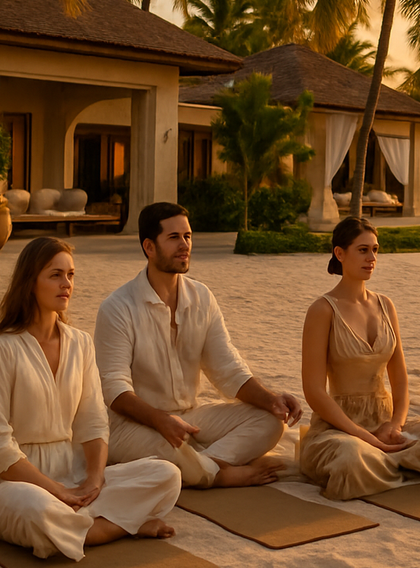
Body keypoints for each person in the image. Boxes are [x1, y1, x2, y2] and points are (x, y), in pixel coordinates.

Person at [0, 237, 181, 561]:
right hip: (15, 479)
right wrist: (56, 490)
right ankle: (116, 528)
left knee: (166, 475)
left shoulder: (80, 343)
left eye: (70, 275)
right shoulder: (1, 347)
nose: (66, 284)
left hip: (72, 469)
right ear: (30, 282)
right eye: (55, 275)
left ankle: (79, 527)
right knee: (36, 509)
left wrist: (94, 479)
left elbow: (93, 421)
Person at [95, 203, 301, 488]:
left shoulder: (201, 297)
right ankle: (219, 474)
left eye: (187, 236)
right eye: (174, 237)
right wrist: (160, 420)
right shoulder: (118, 307)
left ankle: (206, 467)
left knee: (269, 422)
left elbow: (228, 368)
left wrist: (272, 400)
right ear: (149, 247)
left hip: (190, 415)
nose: (184, 245)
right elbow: (115, 391)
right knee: (172, 453)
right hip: (130, 426)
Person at [299, 216, 420, 500]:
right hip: (339, 427)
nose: (371, 258)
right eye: (363, 250)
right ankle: (396, 462)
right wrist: (364, 436)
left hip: (385, 421)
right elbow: (314, 392)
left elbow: (400, 380)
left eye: (375, 250)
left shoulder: (385, 305)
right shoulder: (322, 310)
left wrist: (394, 426)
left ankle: (385, 462)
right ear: (340, 253)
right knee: (350, 456)